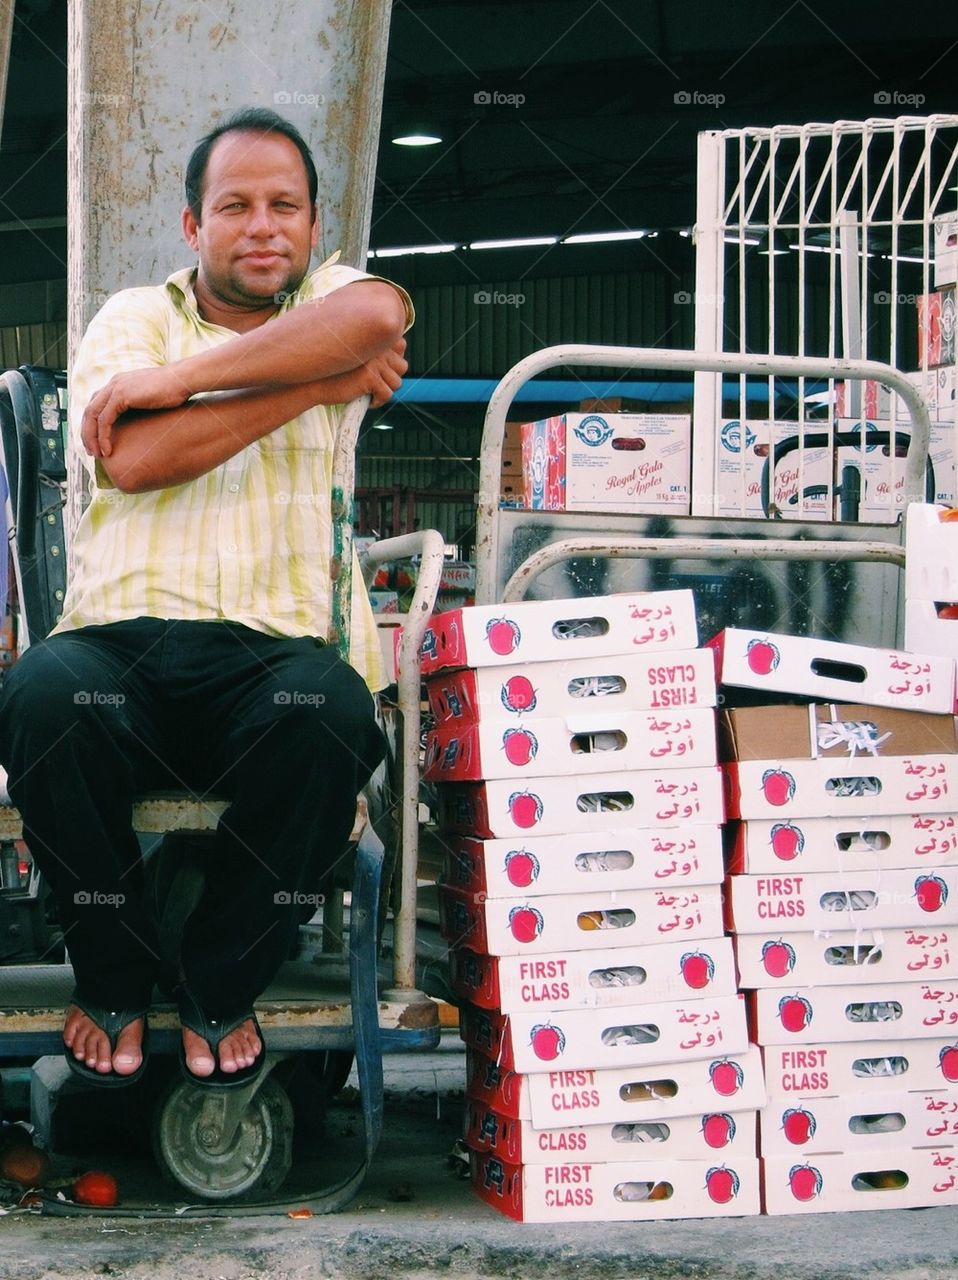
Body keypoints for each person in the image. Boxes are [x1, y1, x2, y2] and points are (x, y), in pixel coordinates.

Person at [0, 106, 411, 1089]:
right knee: (42, 700)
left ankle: (221, 973)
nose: (262, 224)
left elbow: (374, 318)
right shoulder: (132, 317)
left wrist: (182, 382)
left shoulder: (332, 298)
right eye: (235, 205)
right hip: (119, 649)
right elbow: (139, 455)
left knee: (334, 715)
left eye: (284, 205)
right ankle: (112, 965)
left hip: (274, 653)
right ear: (194, 225)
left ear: (313, 228)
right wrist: (314, 385)